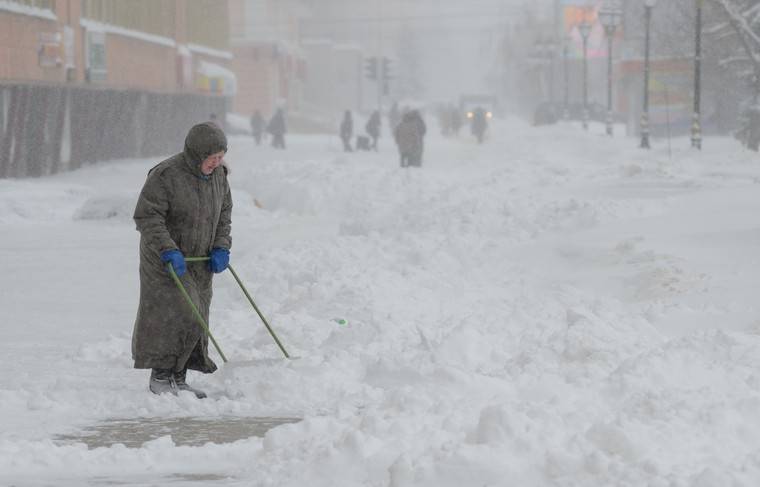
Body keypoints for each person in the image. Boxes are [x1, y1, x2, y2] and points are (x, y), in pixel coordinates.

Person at [132, 122, 232, 399]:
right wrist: (167, 249)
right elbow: (147, 216)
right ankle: (160, 376)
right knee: (172, 314)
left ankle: (179, 377)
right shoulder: (166, 175)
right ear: (197, 154)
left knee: (196, 314)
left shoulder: (220, 177)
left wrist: (221, 246)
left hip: (199, 260)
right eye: (212, 157)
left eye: (221, 157)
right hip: (165, 259)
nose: (217, 162)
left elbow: (224, 215)